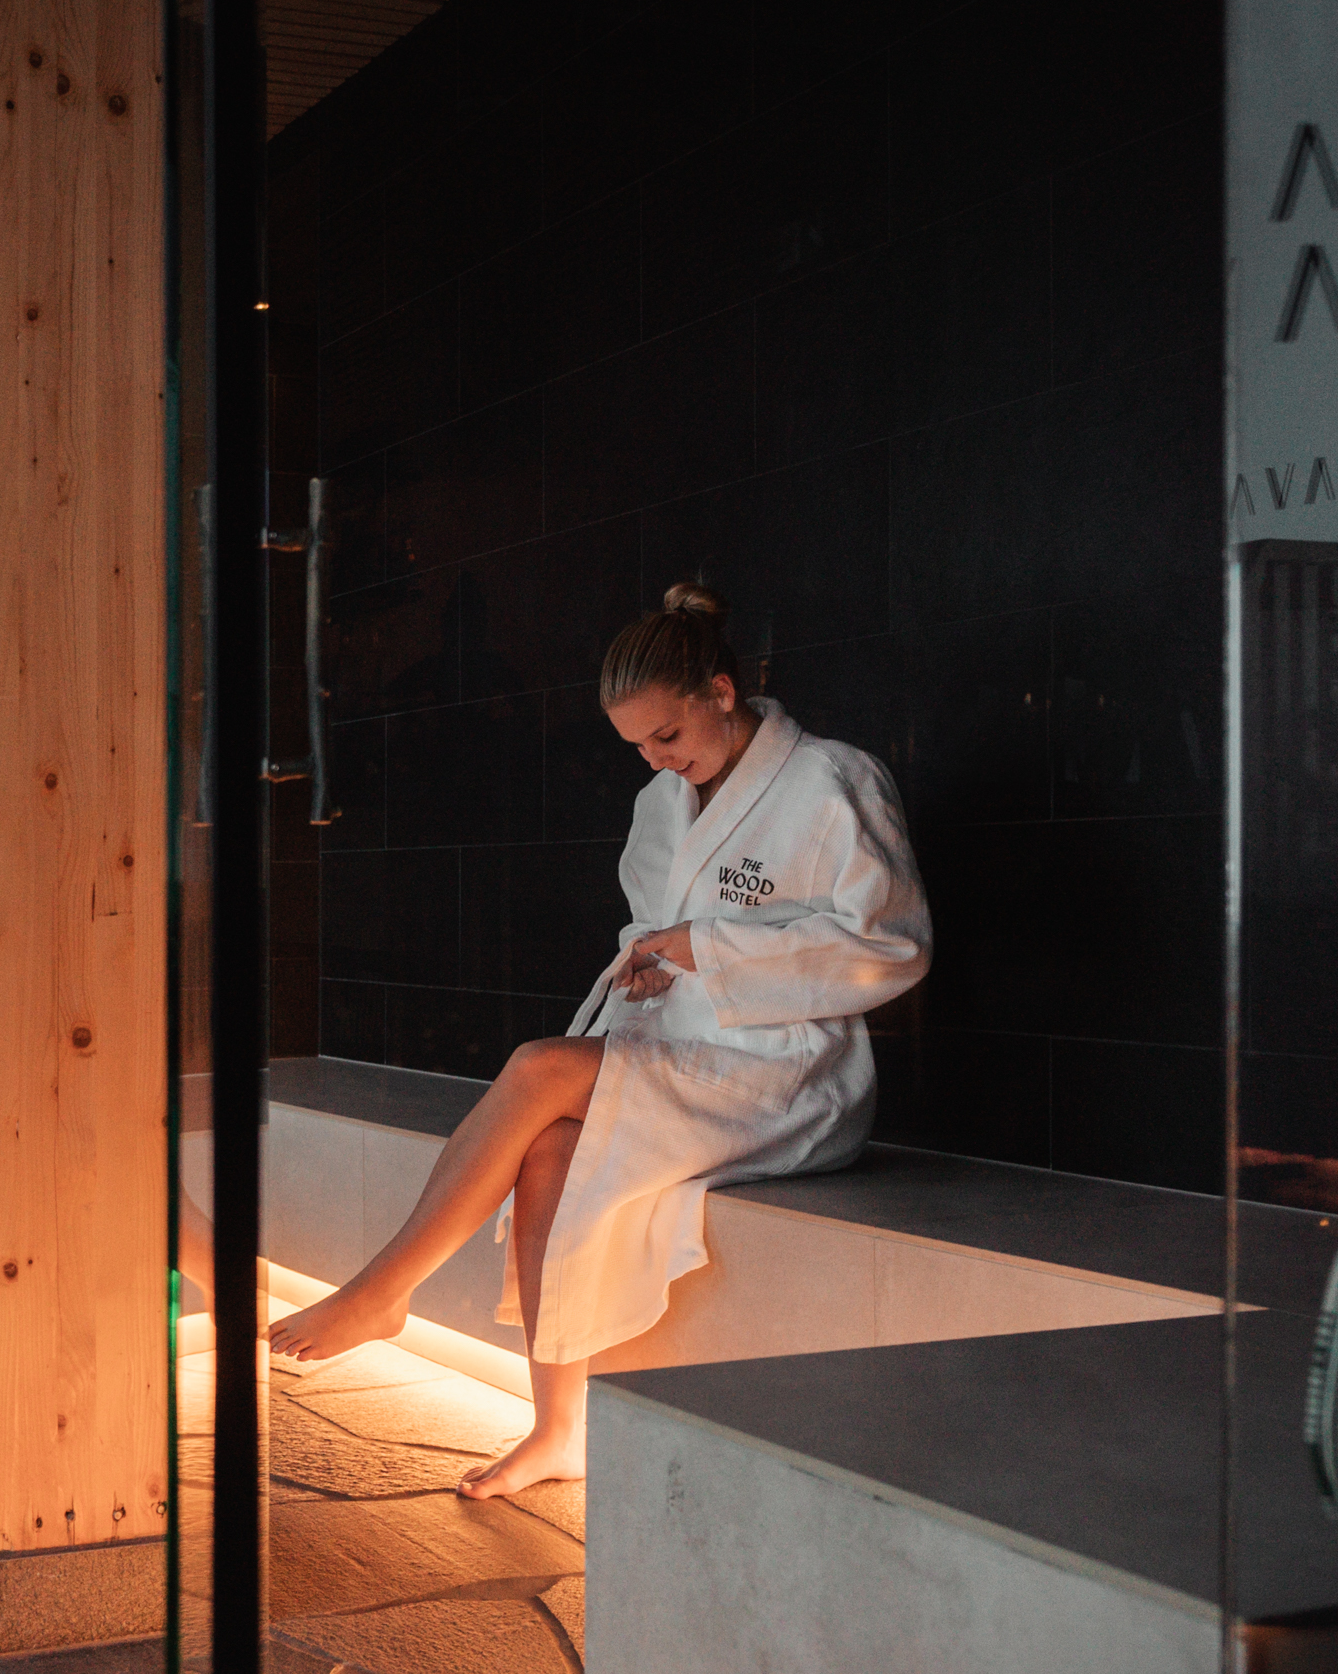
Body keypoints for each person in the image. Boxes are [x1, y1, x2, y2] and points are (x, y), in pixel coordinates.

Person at [266, 582, 931, 1497]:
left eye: (669, 736)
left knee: (541, 1066)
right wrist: (656, 958)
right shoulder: (664, 802)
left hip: (788, 1071)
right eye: (638, 746)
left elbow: (890, 950)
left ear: (723, 694)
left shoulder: (830, 781)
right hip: (688, 1052)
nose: (658, 760)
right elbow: (658, 923)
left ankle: (385, 1289)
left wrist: (705, 948)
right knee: (549, 1155)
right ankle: (558, 1430)